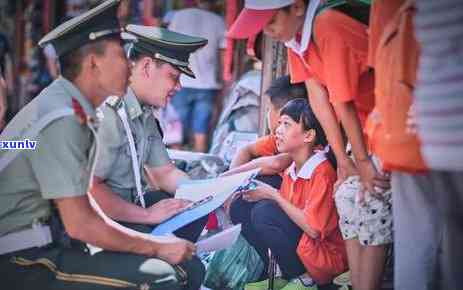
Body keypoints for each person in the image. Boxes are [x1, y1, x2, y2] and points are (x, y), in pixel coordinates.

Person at [0, 1, 202, 289]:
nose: (129, 66)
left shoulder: (68, 107)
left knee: (175, 265)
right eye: (121, 55)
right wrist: (156, 246)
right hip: (23, 259)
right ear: (94, 63)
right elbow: (81, 223)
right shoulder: (63, 116)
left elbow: (82, 205)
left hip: (47, 243)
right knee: (163, 276)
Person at [227, 1, 392, 290]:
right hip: (362, 137)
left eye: (272, 19)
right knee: (349, 199)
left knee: (369, 205)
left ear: (298, 8)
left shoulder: (327, 25)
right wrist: (344, 159)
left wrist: (359, 161)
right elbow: (319, 98)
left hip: (387, 126)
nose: (268, 30)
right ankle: (357, 282)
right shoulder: (295, 42)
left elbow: (341, 100)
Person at [90, 25, 209, 244]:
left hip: (125, 209)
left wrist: (209, 194)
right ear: (146, 67)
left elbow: (165, 173)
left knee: (189, 213)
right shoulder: (109, 113)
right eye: (173, 76)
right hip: (100, 220)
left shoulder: (142, 113)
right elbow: (91, 190)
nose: (178, 87)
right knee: (182, 269)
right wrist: (147, 216)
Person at [230, 98, 347, 290]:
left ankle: (305, 279)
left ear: (308, 135)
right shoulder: (293, 168)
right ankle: (281, 272)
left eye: (287, 124)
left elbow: (313, 229)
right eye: (279, 124)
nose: (278, 130)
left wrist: (274, 195)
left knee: (265, 212)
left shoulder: (322, 172)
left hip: (324, 257)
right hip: (305, 247)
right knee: (240, 206)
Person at [224, 75, 307, 189]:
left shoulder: (304, 141)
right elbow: (246, 150)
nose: (267, 114)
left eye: (269, 109)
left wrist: (228, 177)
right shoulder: (276, 138)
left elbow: (276, 163)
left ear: (282, 114)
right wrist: (230, 186)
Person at [168, 0, 227, 152]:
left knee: (176, 130)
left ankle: (176, 166)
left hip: (181, 81)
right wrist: (223, 81)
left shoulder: (178, 16)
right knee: (201, 130)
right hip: (207, 84)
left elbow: (169, 47)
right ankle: (200, 168)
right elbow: (223, 54)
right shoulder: (218, 21)